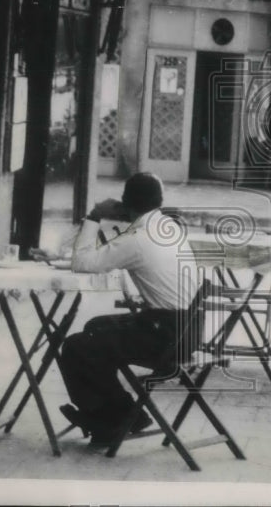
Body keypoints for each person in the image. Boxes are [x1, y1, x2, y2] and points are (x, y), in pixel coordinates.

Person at [33, 173, 197, 447]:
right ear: (159, 201)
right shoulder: (165, 227)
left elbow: (84, 262)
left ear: (124, 203)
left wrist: (95, 215)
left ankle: (109, 416)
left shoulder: (138, 239)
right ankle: (121, 414)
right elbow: (104, 256)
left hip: (167, 334)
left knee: (76, 346)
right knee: (96, 328)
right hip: (187, 328)